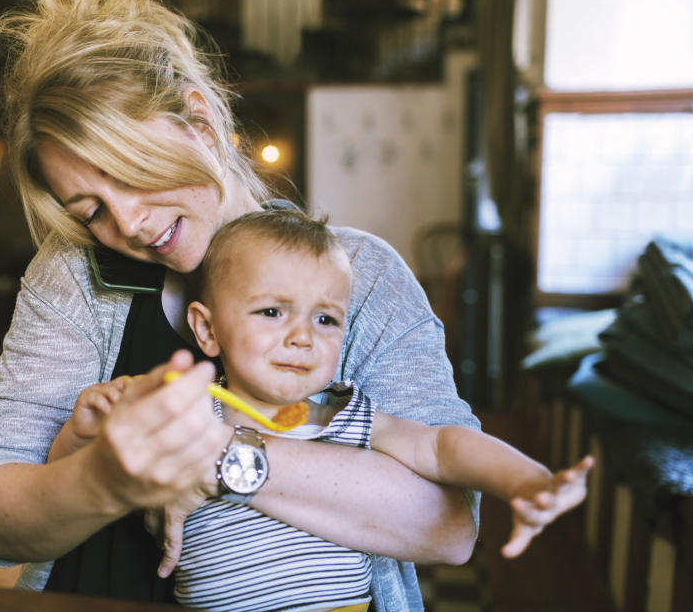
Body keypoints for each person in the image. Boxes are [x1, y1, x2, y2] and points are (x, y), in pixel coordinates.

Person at [0, 0, 479, 610]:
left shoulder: (361, 276)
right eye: (91, 207)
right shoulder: (71, 274)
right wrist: (104, 480)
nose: (128, 225)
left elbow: (448, 525)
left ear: (201, 121)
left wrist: (216, 458)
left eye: (135, 172)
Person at [49, 210, 594, 610]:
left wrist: (526, 482)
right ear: (207, 329)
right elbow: (68, 483)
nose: (302, 337)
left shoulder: (343, 415)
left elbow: (441, 444)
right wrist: (82, 431)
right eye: (272, 311)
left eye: (326, 320)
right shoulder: (186, 407)